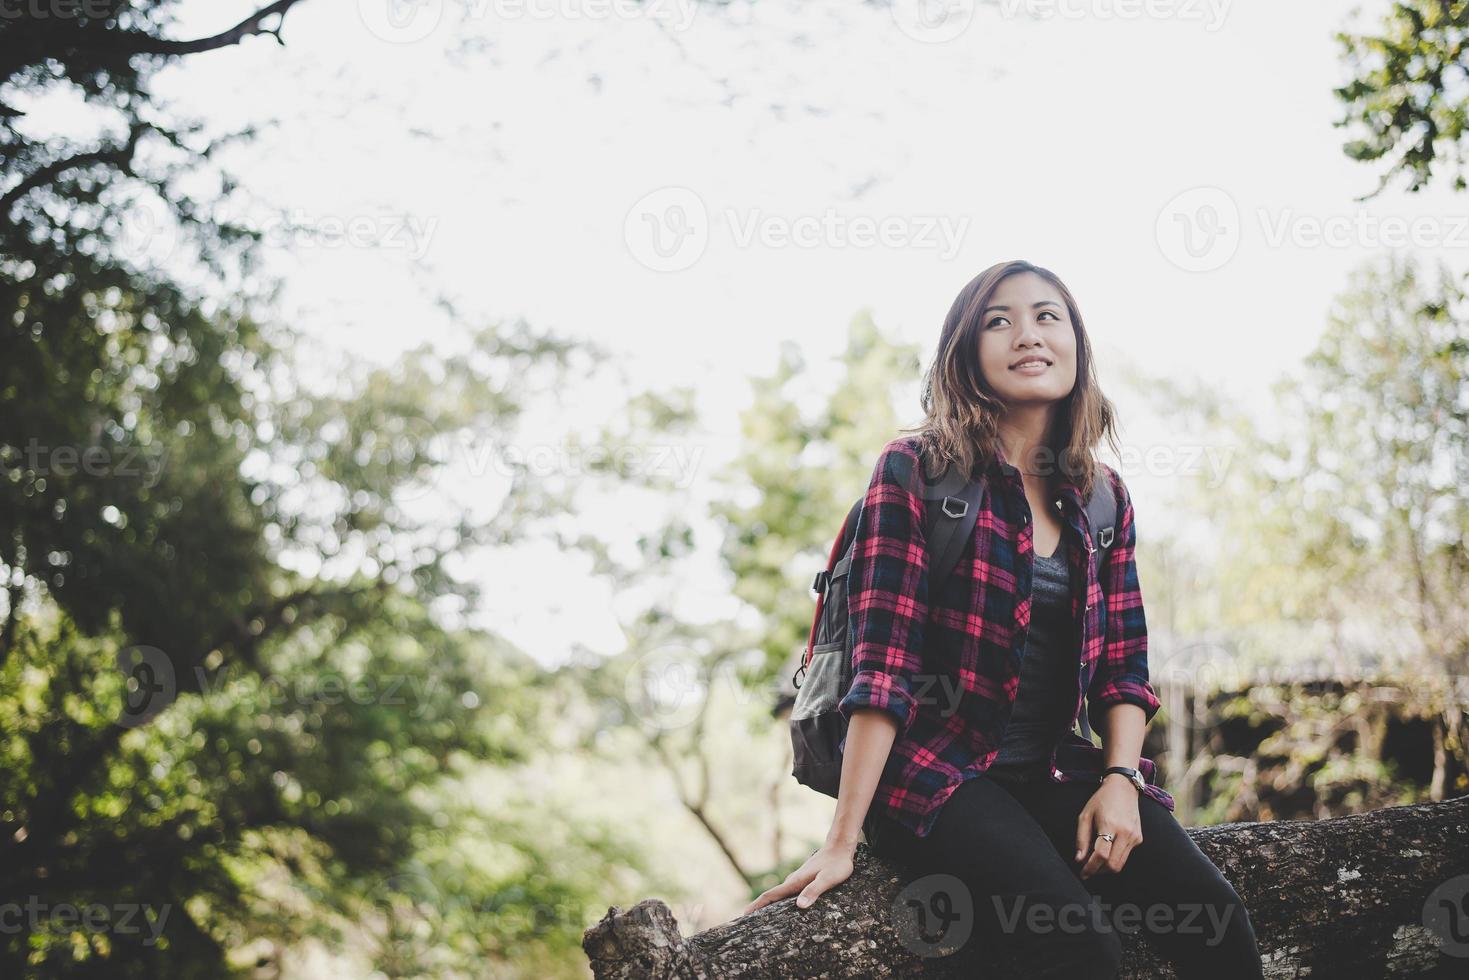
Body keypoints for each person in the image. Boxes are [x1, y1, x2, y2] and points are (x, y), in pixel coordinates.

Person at [742, 260, 1265, 979]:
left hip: (1052, 765)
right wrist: (842, 838)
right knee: (1075, 945)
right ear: (966, 354)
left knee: (1216, 922)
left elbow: (1123, 669)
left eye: (1047, 316)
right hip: (931, 771)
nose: (1027, 333)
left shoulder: (1102, 497)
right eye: (999, 320)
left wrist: (1120, 780)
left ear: (1075, 345)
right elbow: (882, 670)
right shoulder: (916, 471)